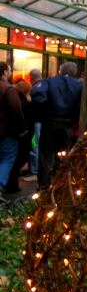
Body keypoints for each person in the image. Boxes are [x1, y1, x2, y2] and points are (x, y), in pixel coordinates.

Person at [31, 62, 82, 191]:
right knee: (63, 156)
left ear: (60, 71)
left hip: (50, 122)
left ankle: (43, 185)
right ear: (74, 72)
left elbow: (37, 94)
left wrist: (43, 112)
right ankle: (58, 184)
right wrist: (75, 116)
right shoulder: (78, 85)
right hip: (67, 124)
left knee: (45, 155)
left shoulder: (49, 81)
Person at [0, 63, 27, 199]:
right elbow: (16, 110)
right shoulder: (8, 89)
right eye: (10, 70)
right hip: (6, 132)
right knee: (7, 159)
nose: (11, 72)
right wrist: (22, 129)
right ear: (5, 72)